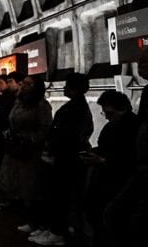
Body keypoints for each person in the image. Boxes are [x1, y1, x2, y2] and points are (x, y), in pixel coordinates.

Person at [104, 44, 148, 243]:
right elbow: (141, 124)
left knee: (141, 219)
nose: (139, 66)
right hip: (142, 164)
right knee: (115, 213)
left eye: (145, 62)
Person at [31, 73, 93, 246]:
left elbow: (68, 135)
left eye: (67, 85)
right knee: (57, 195)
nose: (64, 88)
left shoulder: (76, 109)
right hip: (64, 157)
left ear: (74, 88)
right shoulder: (76, 107)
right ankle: (53, 228)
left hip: (65, 159)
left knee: (60, 196)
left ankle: (58, 231)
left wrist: (53, 150)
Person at [81, 90, 138, 247]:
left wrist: (102, 160)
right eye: (104, 112)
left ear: (123, 109)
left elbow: (129, 158)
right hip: (104, 179)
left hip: (117, 182)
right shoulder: (112, 125)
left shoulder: (133, 127)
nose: (106, 116)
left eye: (109, 113)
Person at [0, 76, 52, 235]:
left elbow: (45, 129)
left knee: (32, 186)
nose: (25, 86)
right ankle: (29, 218)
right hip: (16, 148)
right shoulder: (19, 102)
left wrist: (28, 138)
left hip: (31, 151)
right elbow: (13, 121)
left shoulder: (41, 105)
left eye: (29, 84)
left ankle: (36, 222)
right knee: (19, 183)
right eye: (25, 83)